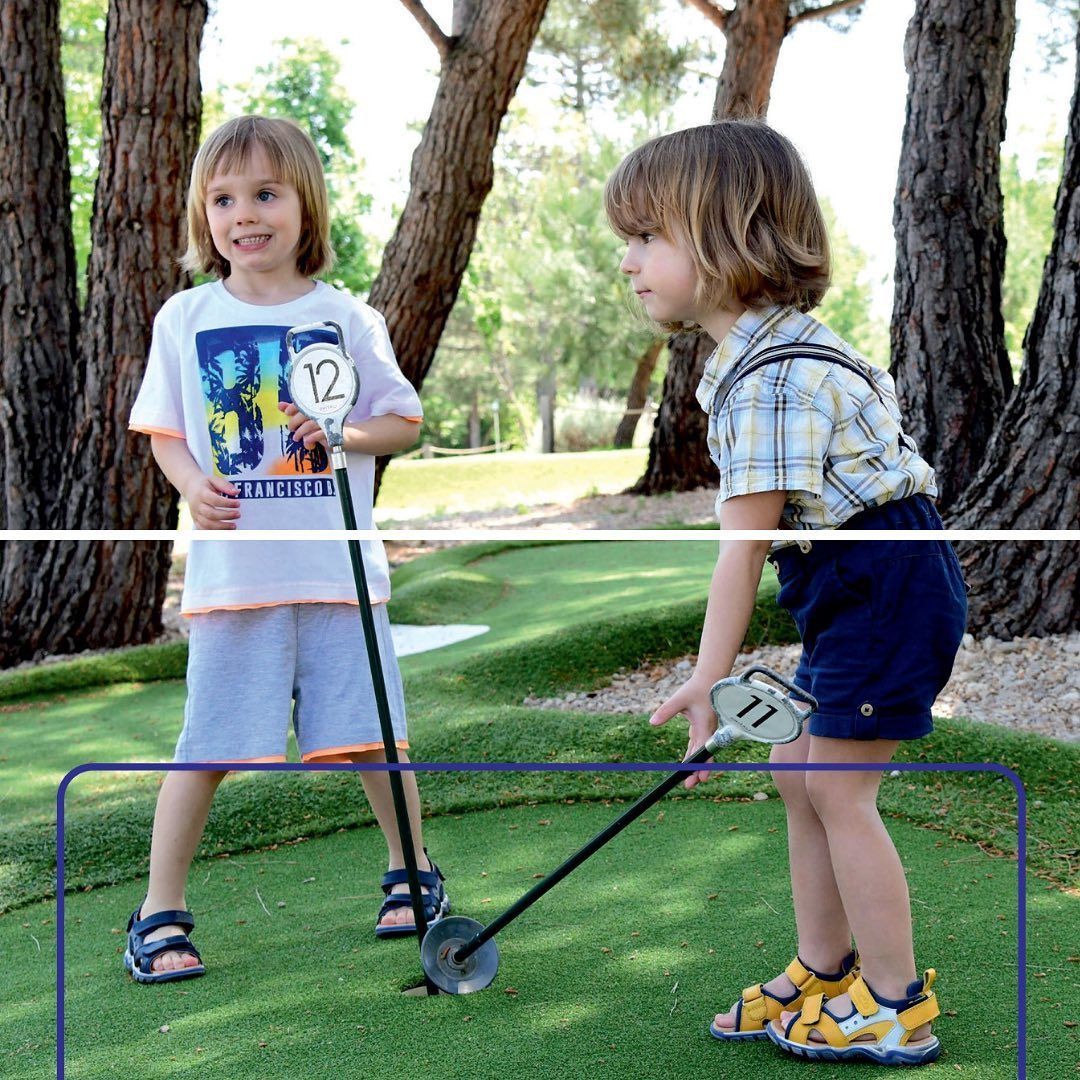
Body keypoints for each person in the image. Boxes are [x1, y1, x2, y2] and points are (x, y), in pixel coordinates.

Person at [604, 120, 967, 1066]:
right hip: (857, 580)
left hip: (883, 578)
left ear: (725, 237)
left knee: (841, 789)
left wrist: (707, 677)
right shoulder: (761, 358)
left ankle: (894, 1001)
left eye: (648, 237)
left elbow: (742, 548)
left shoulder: (773, 378)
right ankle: (823, 966)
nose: (629, 261)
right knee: (798, 770)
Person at [124, 115, 449, 983]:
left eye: (266, 194)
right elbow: (163, 433)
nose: (245, 215)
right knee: (209, 745)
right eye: (224, 199)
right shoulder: (185, 316)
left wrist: (344, 431)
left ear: (305, 206)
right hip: (237, 580)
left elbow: (403, 423)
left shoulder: (346, 316)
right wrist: (191, 484)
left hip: (340, 578)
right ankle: (158, 912)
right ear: (205, 214)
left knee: (374, 739)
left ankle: (414, 875)